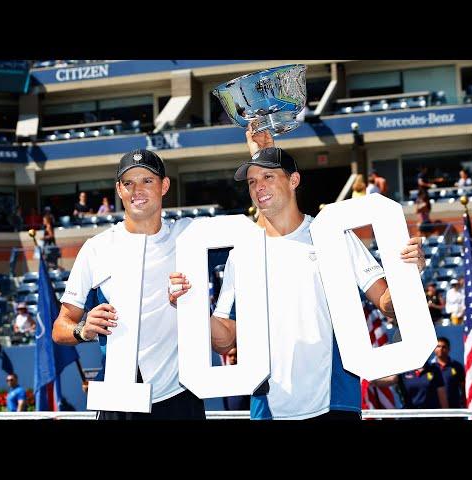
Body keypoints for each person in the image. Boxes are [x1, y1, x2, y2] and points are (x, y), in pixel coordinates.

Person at [170, 124, 426, 420]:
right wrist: (190, 308)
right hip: (268, 407)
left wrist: (407, 275)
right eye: (252, 182)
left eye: (267, 177)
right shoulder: (241, 254)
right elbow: (226, 339)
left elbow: (386, 303)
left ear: (294, 180)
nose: (259, 187)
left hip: (335, 401)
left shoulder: (333, 234)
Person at [52, 149, 206, 420]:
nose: (137, 189)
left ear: (164, 186)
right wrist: (83, 329)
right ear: (119, 190)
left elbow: (260, 229)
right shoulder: (96, 248)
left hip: (180, 394)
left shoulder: (189, 234)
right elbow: (60, 327)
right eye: (128, 183)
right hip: (119, 396)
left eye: (147, 180)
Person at [373, 362, 449, 409]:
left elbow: (442, 396)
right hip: (410, 415)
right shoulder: (404, 368)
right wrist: (371, 380)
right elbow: (390, 380)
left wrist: (447, 417)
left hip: (430, 415)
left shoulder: (434, 369)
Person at [429, 336, 466, 408]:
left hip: (454, 408)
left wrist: (463, 402)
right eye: (438, 346)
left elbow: (463, 387)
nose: (441, 349)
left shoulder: (457, 366)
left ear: (449, 349)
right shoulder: (430, 367)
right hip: (434, 409)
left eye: (444, 347)